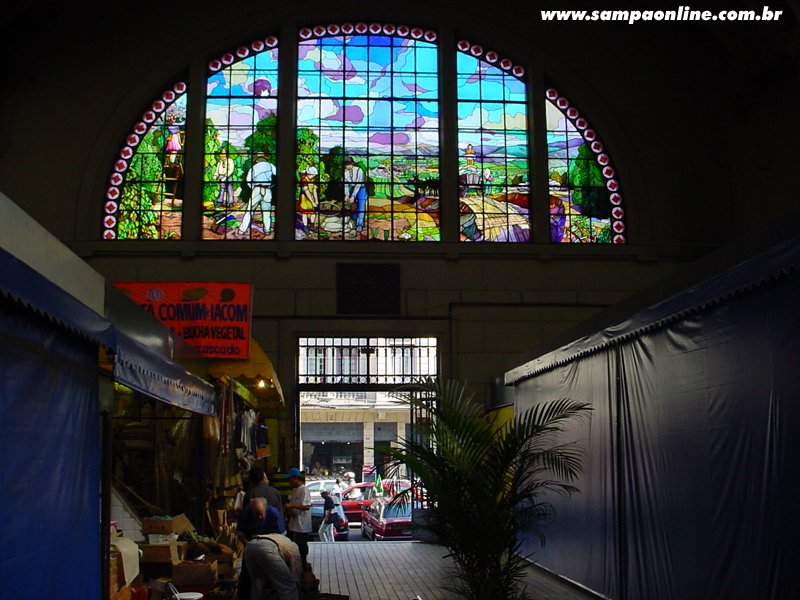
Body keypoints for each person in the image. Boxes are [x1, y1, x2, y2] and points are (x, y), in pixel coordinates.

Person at [236, 498, 287, 600]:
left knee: (275, 576)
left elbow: (282, 534)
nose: (259, 517)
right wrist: (248, 544)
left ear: (266, 508)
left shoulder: (274, 513)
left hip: (271, 544)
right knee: (251, 577)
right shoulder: (246, 513)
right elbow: (240, 533)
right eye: (256, 514)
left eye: (261, 514)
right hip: (251, 544)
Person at [244, 533, 302, 600]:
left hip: (250, 545)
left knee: (257, 585)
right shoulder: (295, 549)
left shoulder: (285, 541)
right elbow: (295, 574)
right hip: (267, 547)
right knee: (288, 586)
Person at [238, 155, 276, 236]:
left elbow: (248, 180)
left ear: (257, 160)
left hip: (257, 189)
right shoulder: (270, 165)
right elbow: (276, 175)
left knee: (249, 210)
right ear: (265, 159)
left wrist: (253, 188)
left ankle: (242, 230)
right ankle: (267, 230)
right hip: (267, 190)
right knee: (266, 212)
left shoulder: (253, 168)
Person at [283, 467, 311, 568]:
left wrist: (292, 506)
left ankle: (303, 564)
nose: (288, 481)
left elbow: (307, 506)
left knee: (302, 545)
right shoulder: (294, 490)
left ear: (295, 478)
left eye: (289, 479)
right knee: (294, 545)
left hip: (302, 524)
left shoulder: (304, 490)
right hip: (293, 523)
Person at [343, 156, 367, 234]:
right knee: (352, 206)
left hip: (361, 189)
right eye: (346, 165)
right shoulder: (345, 173)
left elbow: (358, 184)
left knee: (361, 206)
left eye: (349, 164)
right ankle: (354, 222)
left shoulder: (359, 170)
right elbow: (346, 185)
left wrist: (353, 196)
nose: (348, 166)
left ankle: (360, 224)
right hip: (352, 188)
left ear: (352, 164)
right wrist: (346, 194)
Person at [298, 165, 319, 232]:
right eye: (313, 175)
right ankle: (305, 226)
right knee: (305, 213)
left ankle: (312, 225)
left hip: (312, 197)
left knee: (313, 212)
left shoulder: (314, 179)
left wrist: (316, 200)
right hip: (304, 198)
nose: (314, 176)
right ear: (309, 173)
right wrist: (313, 202)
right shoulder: (304, 179)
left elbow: (314, 190)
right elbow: (306, 191)